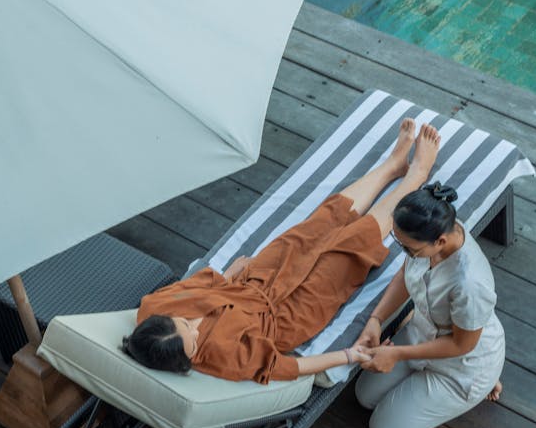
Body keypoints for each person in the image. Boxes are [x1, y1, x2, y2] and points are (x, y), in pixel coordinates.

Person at [122, 118, 441, 384]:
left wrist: (230, 275)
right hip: (290, 315)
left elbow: (196, 286)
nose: (195, 325)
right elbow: (288, 367)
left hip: (252, 281)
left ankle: (391, 166)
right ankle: (416, 175)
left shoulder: (154, 306)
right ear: (186, 361)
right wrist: (346, 356)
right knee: (351, 246)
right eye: (193, 337)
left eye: (184, 321)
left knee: (321, 221)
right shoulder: (222, 358)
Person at [353, 181, 505, 428]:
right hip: (421, 336)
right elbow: (405, 274)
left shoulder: (470, 284)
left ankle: (486, 381)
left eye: (409, 248)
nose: (406, 252)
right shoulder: (432, 236)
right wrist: (375, 320)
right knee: (364, 397)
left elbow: (462, 344)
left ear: (441, 241)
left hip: (462, 366)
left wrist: (396, 354)